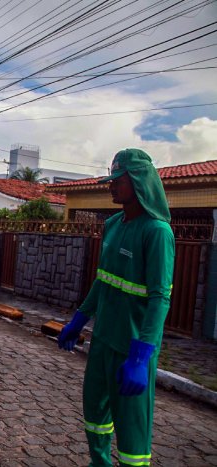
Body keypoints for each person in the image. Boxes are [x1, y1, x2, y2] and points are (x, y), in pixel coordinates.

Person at [58, 148, 175, 467]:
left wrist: (141, 358)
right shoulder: (112, 224)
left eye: (117, 180)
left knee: (132, 430)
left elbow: (160, 299)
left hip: (131, 347)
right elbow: (103, 280)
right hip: (103, 340)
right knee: (94, 413)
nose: (111, 186)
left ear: (137, 181)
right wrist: (78, 321)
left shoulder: (157, 232)